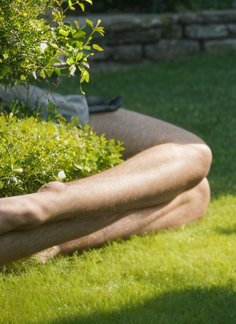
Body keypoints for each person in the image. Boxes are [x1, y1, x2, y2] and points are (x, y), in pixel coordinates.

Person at [0, 105, 212, 266]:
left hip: (30, 101)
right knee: (194, 159)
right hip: (20, 101)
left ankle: (41, 226)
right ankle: (41, 210)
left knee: (196, 191)